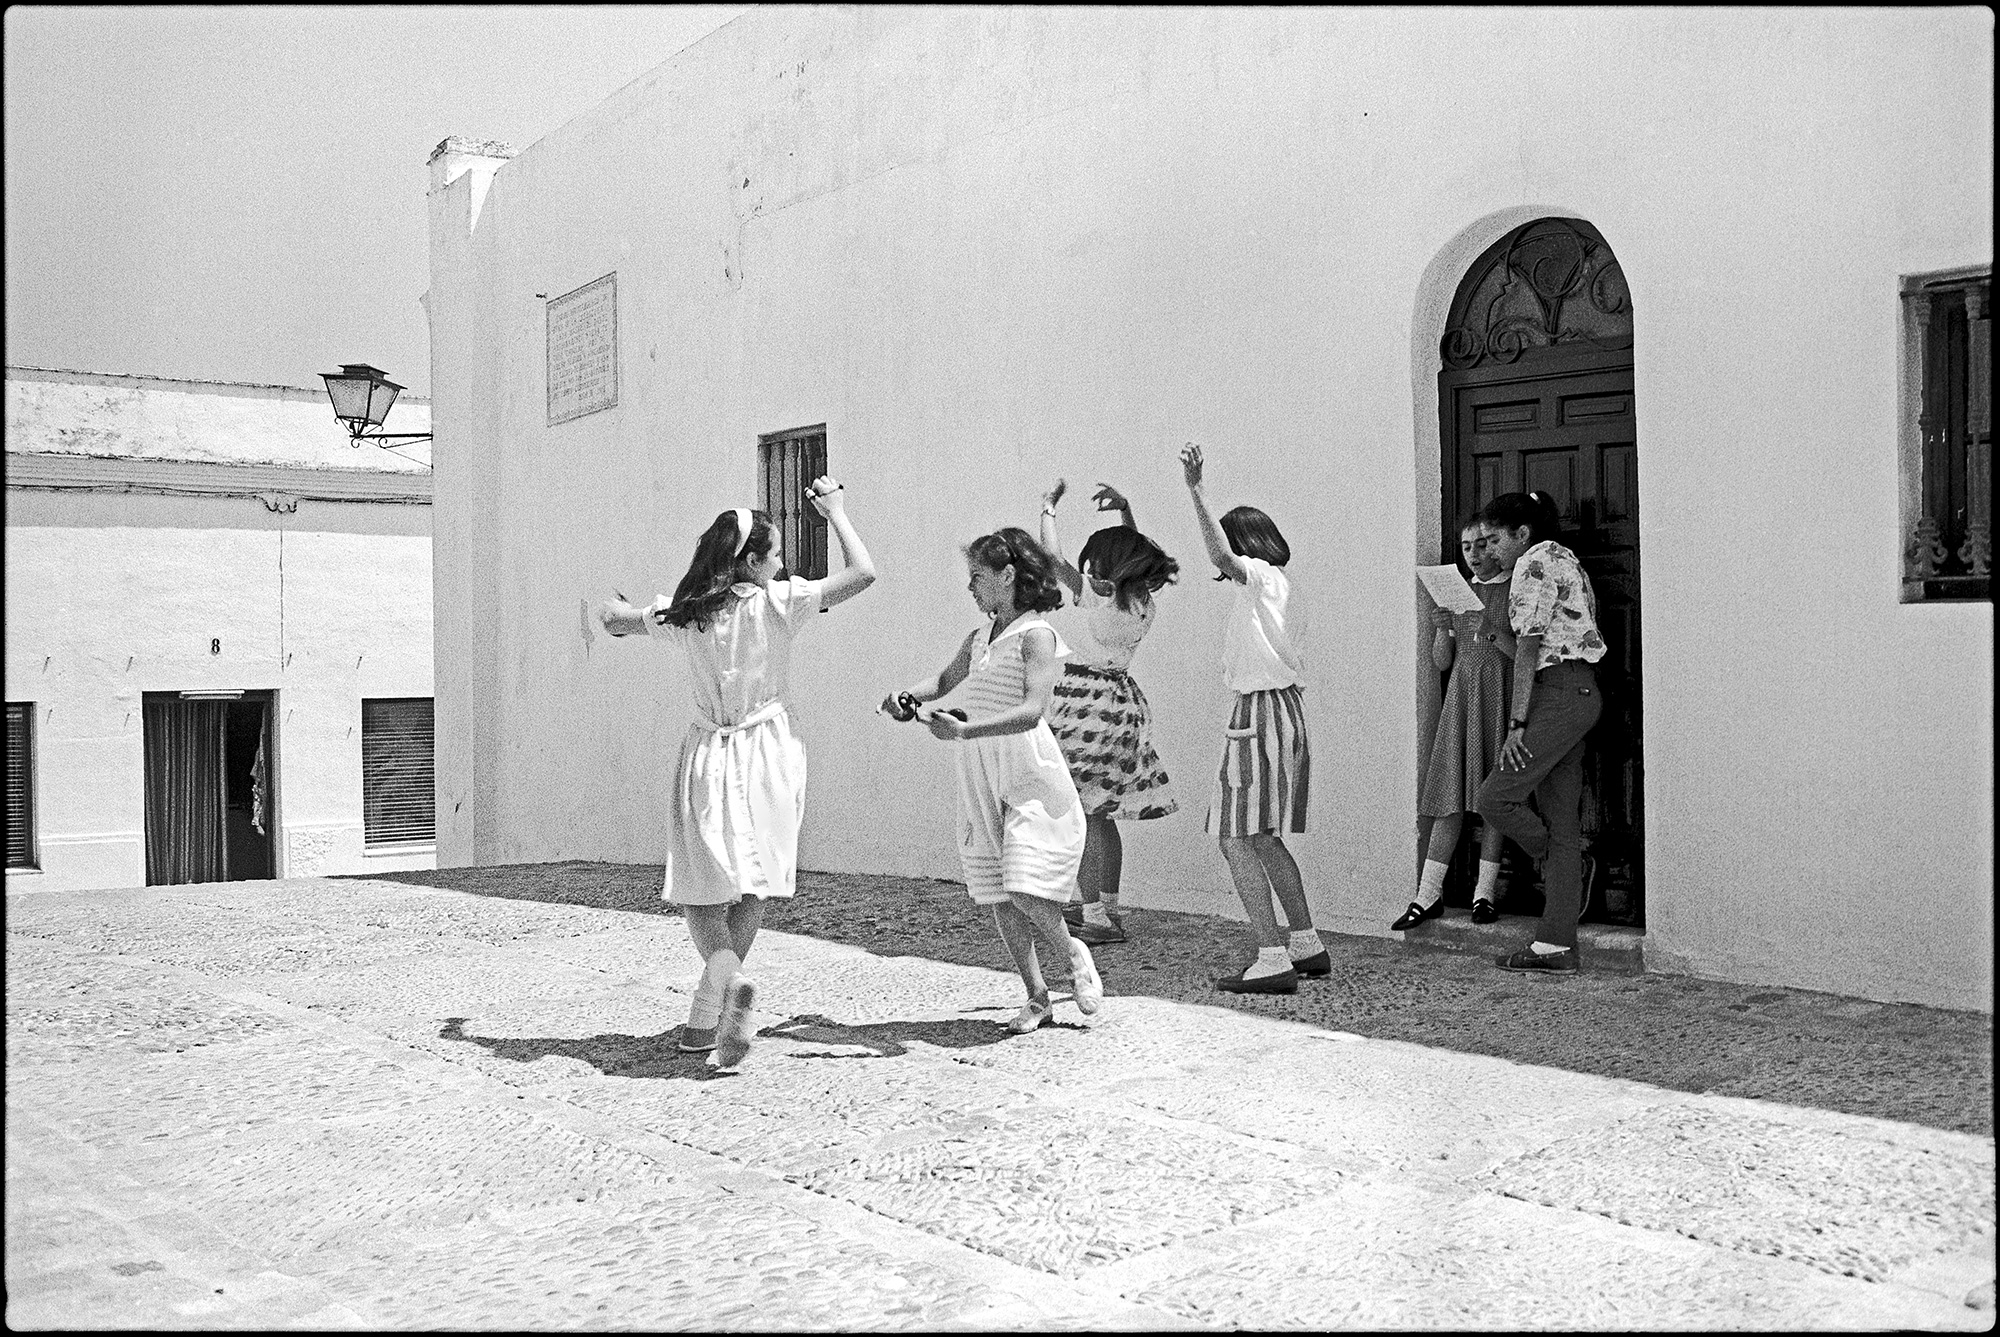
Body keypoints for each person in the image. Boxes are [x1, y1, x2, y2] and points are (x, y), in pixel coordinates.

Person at [598, 479, 877, 1066]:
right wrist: (837, 514)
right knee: (756, 881)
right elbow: (863, 572)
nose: (781, 564)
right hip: (773, 753)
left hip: (710, 755)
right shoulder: (781, 601)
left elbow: (614, 620)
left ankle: (719, 984)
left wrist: (618, 609)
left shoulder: (686, 613)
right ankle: (718, 1004)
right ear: (752, 562)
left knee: (702, 889)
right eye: (775, 555)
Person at [884, 527, 1104, 1033]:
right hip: (978, 771)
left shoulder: (1038, 635)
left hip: (1026, 769)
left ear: (1008, 577)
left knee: (1024, 885)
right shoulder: (978, 638)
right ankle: (1036, 996)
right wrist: (906, 699)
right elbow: (943, 682)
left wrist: (964, 730)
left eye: (978, 578)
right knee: (996, 892)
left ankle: (1074, 956)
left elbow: (1032, 711)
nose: (971, 589)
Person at [1178, 443, 1329, 994]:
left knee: (1235, 836)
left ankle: (1271, 954)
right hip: (1281, 710)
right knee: (1262, 835)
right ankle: (1305, 942)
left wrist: (1196, 490)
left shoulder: (1262, 577)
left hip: (1261, 711)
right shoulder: (1282, 588)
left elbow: (1221, 557)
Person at [1037, 477, 1181, 946]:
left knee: (1079, 811)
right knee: (1103, 813)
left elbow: (1052, 559)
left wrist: (1048, 509)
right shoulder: (1142, 603)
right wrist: (1127, 513)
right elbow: (1136, 557)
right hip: (1121, 703)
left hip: (1083, 703)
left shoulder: (1096, 595)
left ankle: (1095, 914)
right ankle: (1108, 908)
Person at [1475, 490, 1608, 974]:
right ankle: (1555, 947)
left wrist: (1516, 724)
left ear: (1522, 534)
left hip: (1556, 698)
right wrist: (1494, 637)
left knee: (1496, 799)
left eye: (1494, 541)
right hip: (1579, 692)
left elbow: (1531, 654)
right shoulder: (1564, 558)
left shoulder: (1532, 563)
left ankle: (1558, 863)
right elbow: (1550, 642)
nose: (1490, 551)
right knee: (1562, 822)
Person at [1395, 517, 1516, 930]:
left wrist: (1493, 630)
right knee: (1449, 795)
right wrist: (1443, 629)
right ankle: (1427, 896)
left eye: (1483, 545)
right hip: (1462, 698)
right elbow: (1442, 662)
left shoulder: (1515, 588)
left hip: (1497, 696)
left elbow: (1522, 654)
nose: (1476, 555)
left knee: (1492, 802)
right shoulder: (1460, 593)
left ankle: (1484, 893)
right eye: (1467, 547)